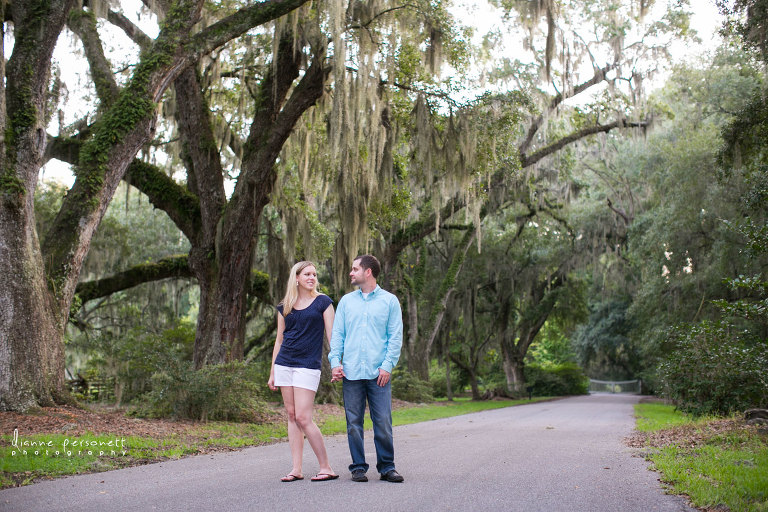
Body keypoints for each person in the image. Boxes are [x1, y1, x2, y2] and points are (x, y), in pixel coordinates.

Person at [329, 254, 404, 483]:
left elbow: (395, 337)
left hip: (378, 373)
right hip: (351, 372)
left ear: (367, 271)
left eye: (354, 269)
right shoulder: (346, 301)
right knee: (353, 423)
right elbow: (338, 336)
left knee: (382, 421)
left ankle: (387, 467)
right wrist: (335, 363)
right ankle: (358, 467)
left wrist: (387, 366)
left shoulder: (390, 301)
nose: (351, 273)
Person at [268, 261, 339, 482]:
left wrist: (337, 363)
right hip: (284, 363)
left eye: (314, 274)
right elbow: (279, 340)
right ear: (296, 277)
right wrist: (272, 372)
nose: (312, 277)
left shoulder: (323, 302)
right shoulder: (285, 306)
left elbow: (332, 337)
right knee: (291, 416)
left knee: (303, 416)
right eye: (307, 274)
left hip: (307, 365)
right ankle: (296, 469)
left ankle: (326, 467)